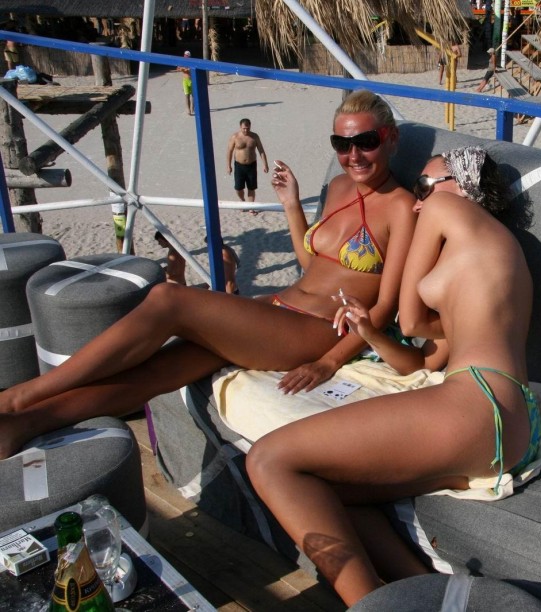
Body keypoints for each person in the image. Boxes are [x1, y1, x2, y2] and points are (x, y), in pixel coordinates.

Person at [0, 90, 417, 460]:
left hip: (317, 330)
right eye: (342, 144)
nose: (354, 155)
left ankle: (20, 396)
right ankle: (26, 424)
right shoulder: (342, 187)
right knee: (162, 369)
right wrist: (291, 205)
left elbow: (383, 307)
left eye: (365, 141)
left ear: (390, 138)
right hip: (277, 309)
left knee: (170, 300)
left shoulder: (400, 207)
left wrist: (327, 363)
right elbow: (312, 268)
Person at [246, 146, 539, 606]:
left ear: (461, 189)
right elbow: (421, 360)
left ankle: (365, 605)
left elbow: (408, 320)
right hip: (509, 421)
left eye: (425, 185)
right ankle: (423, 594)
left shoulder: (447, 209)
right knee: (330, 493)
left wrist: (397, 321)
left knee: (269, 460)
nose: (418, 198)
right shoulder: (486, 257)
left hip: (477, 404)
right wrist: (368, 332)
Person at [226, 118, 270, 209]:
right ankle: (242, 201)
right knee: (238, 188)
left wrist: (265, 164)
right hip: (239, 166)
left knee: (251, 188)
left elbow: (261, 150)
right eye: (244, 128)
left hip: (251, 165)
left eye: (247, 128)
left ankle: (251, 207)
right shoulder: (235, 137)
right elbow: (229, 151)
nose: (246, 130)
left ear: (250, 127)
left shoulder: (254, 136)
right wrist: (228, 166)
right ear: (240, 127)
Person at [177, 50, 193, 115]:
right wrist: (182, 69)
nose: (186, 56)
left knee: (193, 96)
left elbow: (191, 69)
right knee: (187, 95)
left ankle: (192, 108)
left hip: (191, 80)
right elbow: (178, 68)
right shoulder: (182, 61)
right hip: (185, 80)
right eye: (185, 55)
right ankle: (188, 109)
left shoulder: (191, 62)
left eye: (187, 56)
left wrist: (186, 70)